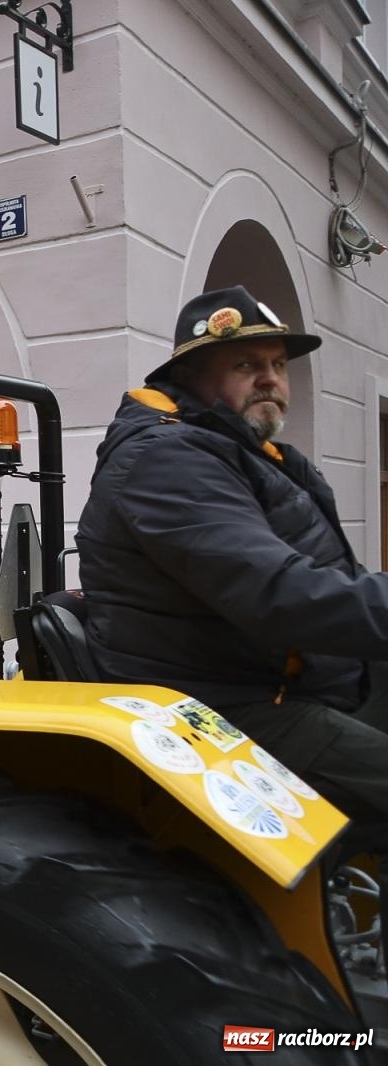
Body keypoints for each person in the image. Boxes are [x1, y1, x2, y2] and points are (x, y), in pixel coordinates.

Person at [77, 284, 388, 837]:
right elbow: (279, 594)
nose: (270, 379)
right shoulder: (167, 459)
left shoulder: (251, 455)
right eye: (246, 364)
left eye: (278, 364)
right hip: (222, 708)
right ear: (191, 377)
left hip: (284, 680)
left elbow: (333, 577)